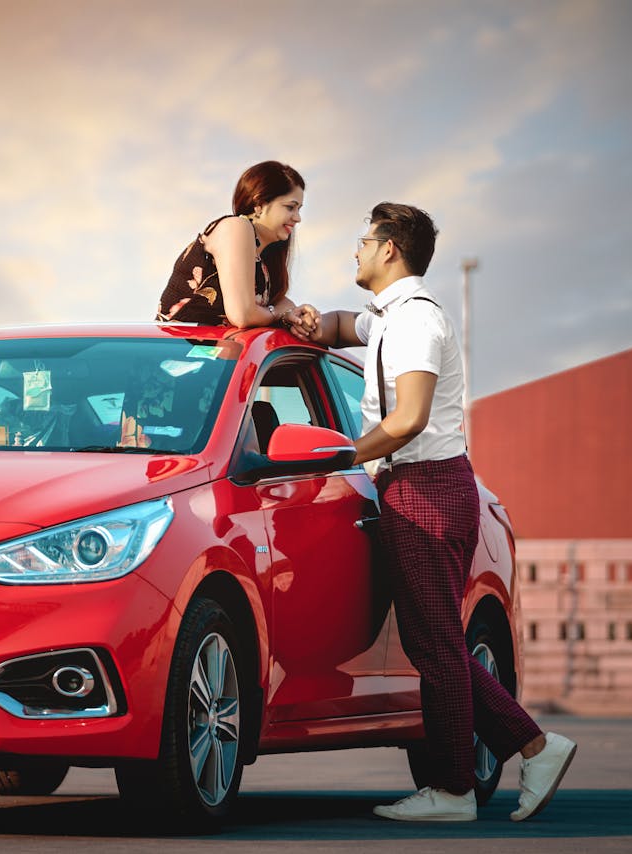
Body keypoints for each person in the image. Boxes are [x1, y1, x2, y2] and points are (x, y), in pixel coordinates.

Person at [309, 202, 576, 822]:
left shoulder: (418, 325)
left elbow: (408, 419)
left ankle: (478, 776)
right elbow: (349, 327)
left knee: (437, 648)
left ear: (389, 251)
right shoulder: (392, 319)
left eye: (363, 241)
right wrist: (308, 322)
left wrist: (340, 456)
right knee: (437, 645)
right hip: (421, 486)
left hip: (425, 488)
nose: (355, 250)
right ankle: (506, 760)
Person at [157, 160, 318, 336]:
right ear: (260, 203)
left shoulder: (262, 262)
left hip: (214, 358)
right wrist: (278, 313)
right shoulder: (236, 227)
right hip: (177, 354)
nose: (298, 218)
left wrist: (290, 313)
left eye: (299, 209)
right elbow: (242, 315)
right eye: (290, 207)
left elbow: (283, 305)